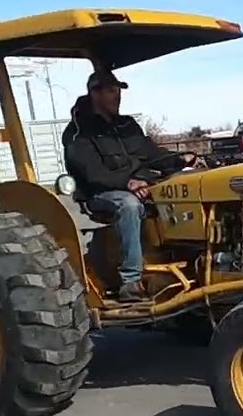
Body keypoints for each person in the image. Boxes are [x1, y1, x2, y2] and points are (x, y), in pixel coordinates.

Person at [63, 71, 196, 302]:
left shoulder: (128, 125)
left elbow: (151, 154)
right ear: (95, 93)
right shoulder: (78, 133)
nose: (118, 97)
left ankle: (193, 263)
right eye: (112, 91)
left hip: (139, 185)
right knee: (129, 205)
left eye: (119, 91)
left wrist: (180, 160)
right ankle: (131, 281)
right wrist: (128, 183)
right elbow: (92, 174)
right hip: (100, 193)